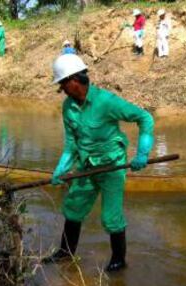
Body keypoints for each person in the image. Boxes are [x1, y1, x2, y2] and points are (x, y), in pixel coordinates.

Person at [43, 54, 154, 272]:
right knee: (73, 207)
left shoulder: (106, 102)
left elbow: (145, 118)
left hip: (112, 166)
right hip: (86, 166)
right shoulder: (68, 107)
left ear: (74, 81)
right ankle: (66, 253)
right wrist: (61, 169)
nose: (62, 89)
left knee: (111, 217)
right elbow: (71, 145)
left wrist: (142, 153)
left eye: (63, 84)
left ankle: (119, 261)